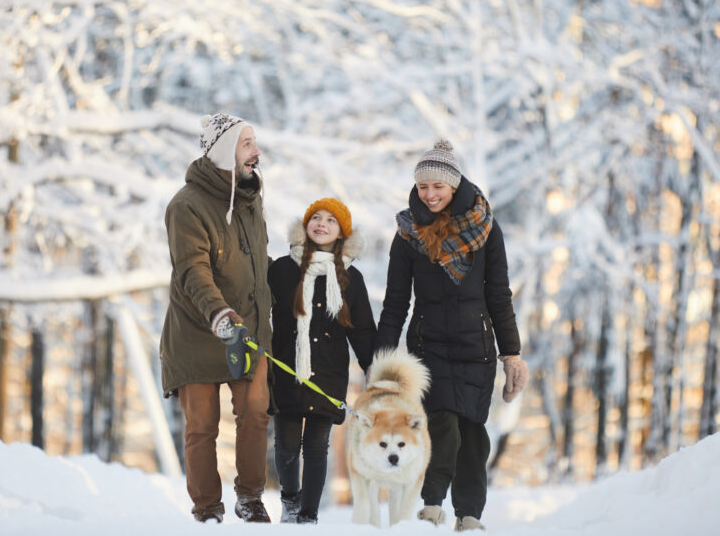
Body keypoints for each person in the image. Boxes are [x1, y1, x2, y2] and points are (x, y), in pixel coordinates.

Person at [375, 139, 528, 532]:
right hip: (428, 348)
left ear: (454, 186)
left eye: (437, 187)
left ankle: (469, 515)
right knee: (442, 425)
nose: (430, 194)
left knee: (473, 436)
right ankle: (431, 506)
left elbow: (499, 294)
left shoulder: (486, 228)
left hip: (477, 349)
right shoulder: (408, 233)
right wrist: (382, 363)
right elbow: (396, 302)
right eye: (423, 186)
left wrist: (511, 354)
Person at [160, 113, 272, 524]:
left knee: (255, 413)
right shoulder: (186, 205)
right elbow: (193, 271)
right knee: (202, 426)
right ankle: (207, 509)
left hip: (249, 330)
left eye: (254, 142)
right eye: (247, 144)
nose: (256, 152)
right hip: (197, 332)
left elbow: (256, 265)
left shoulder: (250, 199)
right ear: (225, 151)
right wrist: (220, 314)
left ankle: (251, 499)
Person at [268, 198, 376, 524]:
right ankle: (290, 499)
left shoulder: (351, 278)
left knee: (316, 447)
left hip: (328, 372)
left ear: (341, 232)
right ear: (306, 225)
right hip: (287, 369)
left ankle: (308, 516)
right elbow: (259, 308)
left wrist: (373, 368)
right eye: (316, 218)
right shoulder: (282, 270)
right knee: (286, 446)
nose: (322, 224)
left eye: (331, 220)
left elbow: (362, 329)